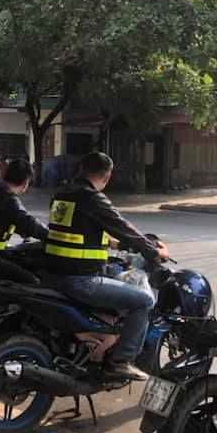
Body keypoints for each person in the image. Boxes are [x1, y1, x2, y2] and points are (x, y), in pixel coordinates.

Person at [42, 152, 170, 381]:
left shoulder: (62, 195)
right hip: (79, 280)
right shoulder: (92, 198)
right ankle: (121, 361)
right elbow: (123, 226)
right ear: (107, 177)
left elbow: (78, 232)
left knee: (114, 274)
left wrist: (116, 244)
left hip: (51, 274)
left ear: (81, 169)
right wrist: (154, 251)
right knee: (144, 301)